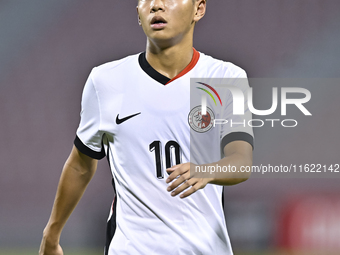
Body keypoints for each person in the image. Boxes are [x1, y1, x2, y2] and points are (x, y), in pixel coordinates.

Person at [39, 0, 254, 254]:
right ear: (138, 15)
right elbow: (80, 164)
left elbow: (241, 162)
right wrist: (51, 235)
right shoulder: (106, 81)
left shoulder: (225, 78)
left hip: (203, 248)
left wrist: (205, 171)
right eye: (147, 0)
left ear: (199, 9)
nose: (156, 6)